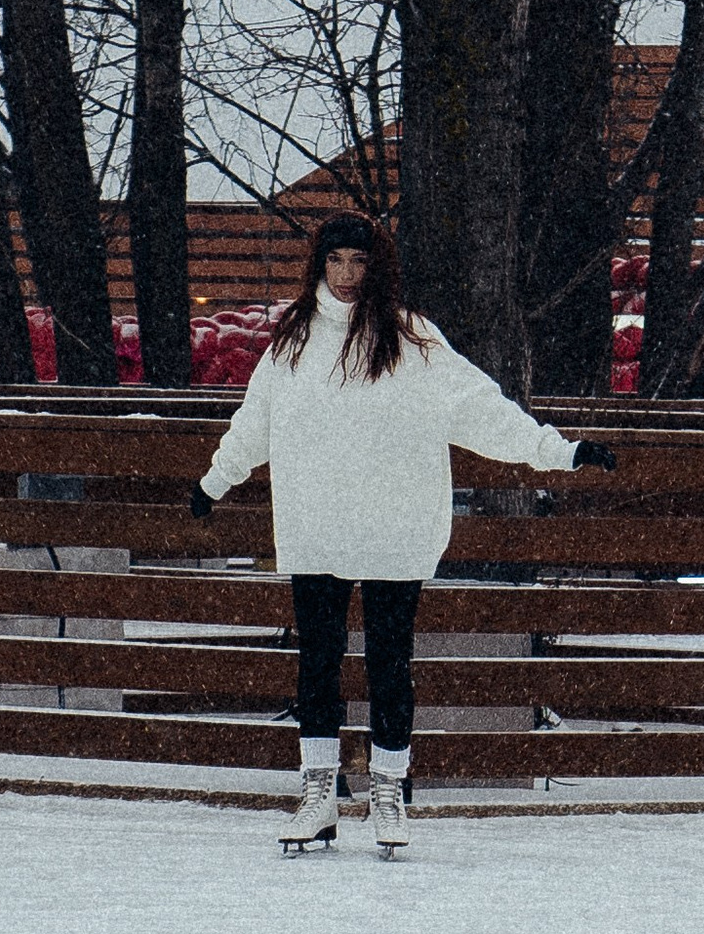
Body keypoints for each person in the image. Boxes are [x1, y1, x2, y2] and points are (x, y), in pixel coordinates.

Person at [191, 210, 616, 855]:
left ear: (376, 266)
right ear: (319, 265)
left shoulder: (413, 340)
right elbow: (257, 421)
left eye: (358, 261)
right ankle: (318, 792)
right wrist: (215, 480)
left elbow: (480, 409)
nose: (346, 274)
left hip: (394, 522)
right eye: (335, 260)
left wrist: (560, 450)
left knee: (391, 662)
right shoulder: (293, 342)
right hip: (316, 521)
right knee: (318, 662)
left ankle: (389, 792)